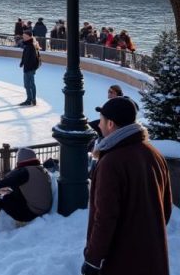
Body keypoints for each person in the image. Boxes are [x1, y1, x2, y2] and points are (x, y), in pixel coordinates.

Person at [82, 97, 172, 275]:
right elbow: (165, 209)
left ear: (110, 124)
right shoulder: (154, 154)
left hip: (123, 260)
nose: (98, 125)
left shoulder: (111, 162)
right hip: (152, 255)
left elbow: (105, 218)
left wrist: (93, 260)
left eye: (101, 120)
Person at [19, 30, 41, 106]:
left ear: (28, 36)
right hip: (29, 67)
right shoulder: (30, 44)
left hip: (29, 68)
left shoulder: (31, 45)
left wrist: (29, 67)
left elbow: (33, 57)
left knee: (28, 84)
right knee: (30, 84)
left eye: (24, 36)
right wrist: (22, 63)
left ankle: (30, 100)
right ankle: (32, 99)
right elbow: (25, 55)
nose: (23, 37)